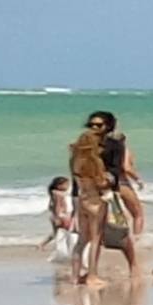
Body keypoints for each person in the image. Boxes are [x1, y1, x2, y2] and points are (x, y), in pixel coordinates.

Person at [67, 115, 115, 280]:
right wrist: (108, 180)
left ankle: (74, 276)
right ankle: (92, 276)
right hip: (95, 201)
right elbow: (100, 183)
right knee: (95, 239)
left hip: (82, 199)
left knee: (81, 240)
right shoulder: (94, 162)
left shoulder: (75, 160)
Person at [88, 111, 147, 236]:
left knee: (105, 214)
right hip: (120, 182)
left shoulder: (97, 147)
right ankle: (137, 240)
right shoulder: (121, 148)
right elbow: (126, 167)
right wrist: (138, 180)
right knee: (137, 213)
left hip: (100, 182)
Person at [43, 176, 78, 265]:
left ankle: (44, 245)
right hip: (62, 216)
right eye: (66, 184)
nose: (68, 186)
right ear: (59, 186)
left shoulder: (54, 193)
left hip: (58, 216)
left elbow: (52, 206)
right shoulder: (58, 194)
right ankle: (66, 254)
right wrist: (59, 217)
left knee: (59, 235)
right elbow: (58, 206)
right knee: (66, 235)